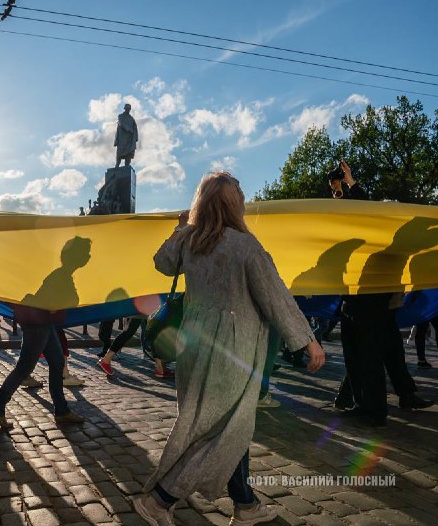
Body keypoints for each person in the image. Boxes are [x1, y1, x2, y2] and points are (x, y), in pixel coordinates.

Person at [133, 172, 325, 526]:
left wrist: (179, 229)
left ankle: (246, 504)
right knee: (224, 429)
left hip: (193, 345)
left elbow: (161, 263)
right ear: (233, 204)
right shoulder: (245, 246)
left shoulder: (190, 241)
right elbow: (276, 297)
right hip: (232, 351)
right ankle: (161, 499)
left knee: (224, 425)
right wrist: (307, 339)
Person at [330, 161, 432, 424]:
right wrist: (340, 191)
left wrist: (351, 184)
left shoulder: (391, 239)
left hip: (369, 308)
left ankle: (373, 411)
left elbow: (365, 217)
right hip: (359, 305)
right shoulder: (383, 239)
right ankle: (368, 403)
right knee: (361, 358)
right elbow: (355, 220)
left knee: (368, 359)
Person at [0, 237, 91, 430]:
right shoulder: (61, 276)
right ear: (78, 257)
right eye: (86, 252)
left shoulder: (62, 274)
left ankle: (61, 411)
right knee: (24, 369)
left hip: (45, 324)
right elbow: (71, 300)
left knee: (57, 362)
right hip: (39, 325)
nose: (89, 257)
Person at [96, 317, 173, 378]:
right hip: (141, 303)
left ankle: (160, 367)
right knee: (130, 332)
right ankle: (106, 359)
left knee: (152, 332)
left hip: (143, 304)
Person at [114, 103, 138, 168]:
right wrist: (128, 129)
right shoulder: (120, 116)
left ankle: (127, 165)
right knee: (119, 151)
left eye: (129, 109)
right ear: (124, 108)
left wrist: (135, 137)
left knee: (129, 152)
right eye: (127, 108)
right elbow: (121, 123)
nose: (128, 110)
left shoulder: (131, 118)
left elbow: (135, 127)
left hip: (130, 138)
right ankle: (117, 165)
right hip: (122, 137)